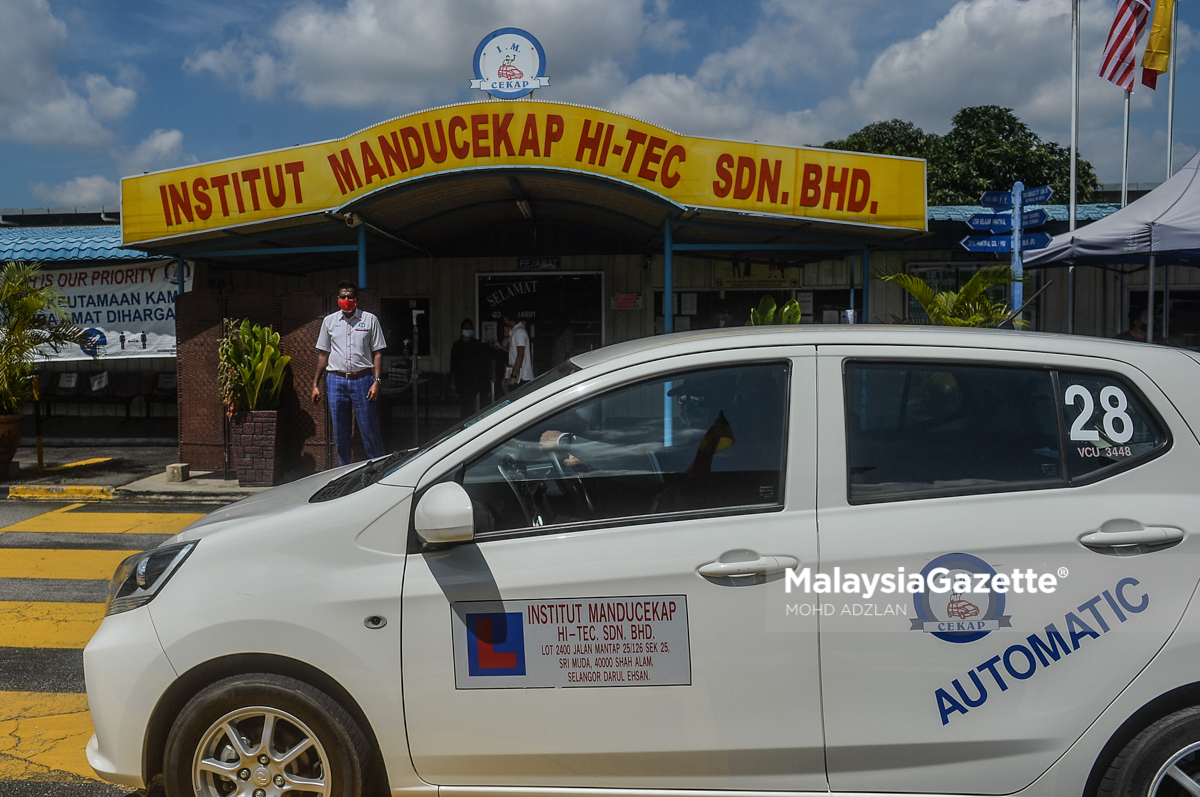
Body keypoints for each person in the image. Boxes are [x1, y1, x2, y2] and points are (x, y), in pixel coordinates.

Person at [311, 281, 387, 465]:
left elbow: (377, 352)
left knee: (369, 427)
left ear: (356, 299)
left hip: (363, 379)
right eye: (343, 297)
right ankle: (344, 470)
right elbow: (323, 353)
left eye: (350, 297)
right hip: (336, 381)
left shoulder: (370, 320)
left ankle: (379, 467)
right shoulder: (329, 321)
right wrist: (315, 384)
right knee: (340, 429)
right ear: (338, 299)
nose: (346, 300)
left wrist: (377, 380)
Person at [449, 318, 489, 418]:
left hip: (473, 381)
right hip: (461, 380)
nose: (468, 330)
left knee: (469, 403)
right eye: (466, 328)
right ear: (461, 330)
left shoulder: (477, 345)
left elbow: (482, 363)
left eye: (470, 328)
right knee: (464, 404)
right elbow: (453, 364)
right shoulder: (457, 345)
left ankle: (467, 422)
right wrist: (453, 381)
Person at [492, 313, 533, 388]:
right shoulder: (516, 331)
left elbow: (520, 355)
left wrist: (513, 375)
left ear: (507, 319)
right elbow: (514, 352)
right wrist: (500, 347)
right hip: (518, 375)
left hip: (521, 376)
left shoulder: (519, 332)